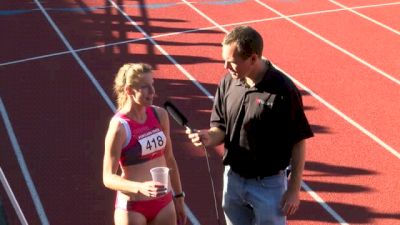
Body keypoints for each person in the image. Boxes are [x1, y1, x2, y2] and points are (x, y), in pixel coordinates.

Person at [186, 26, 314, 225]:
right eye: (224, 60)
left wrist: (294, 189)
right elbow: (220, 128)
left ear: (253, 59)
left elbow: (298, 141)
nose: (225, 67)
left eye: (232, 62)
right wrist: (208, 137)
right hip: (233, 180)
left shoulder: (283, 91)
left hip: (268, 185)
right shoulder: (228, 81)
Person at [103, 63, 187, 225]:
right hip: (133, 207)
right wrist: (140, 187)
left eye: (153, 85)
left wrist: (178, 197)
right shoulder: (119, 128)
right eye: (145, 87)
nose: (153, 92)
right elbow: (107, 178)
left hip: (164, 203)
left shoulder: (160, 115)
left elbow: (169, 159)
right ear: (129, 90)